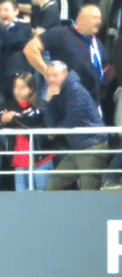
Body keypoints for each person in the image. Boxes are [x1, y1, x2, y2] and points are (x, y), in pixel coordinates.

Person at [43, 60, 110, 190]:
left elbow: (73, 119)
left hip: (93, 145)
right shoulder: (59, 93)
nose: (51, 79)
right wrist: (48, 102)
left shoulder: (75, 90)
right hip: (78, 147)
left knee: (88, 193)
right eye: (48, 76)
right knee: (51, 188)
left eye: (55, 75)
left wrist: (54, 131)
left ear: (65, 74)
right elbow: (50, 123)